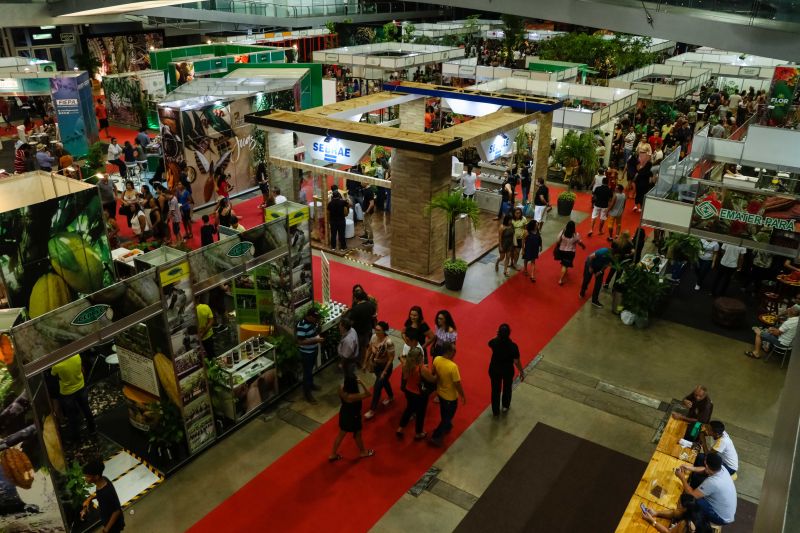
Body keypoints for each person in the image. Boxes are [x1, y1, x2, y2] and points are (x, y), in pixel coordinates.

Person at [675, 454, 737, 525]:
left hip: (721, 518)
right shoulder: (721, 468)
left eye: (705, 463)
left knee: (689, 500)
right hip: (727, 511)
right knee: (697, 481)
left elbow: (692, 495)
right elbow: (705, 470)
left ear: (707, 466)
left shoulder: (713, 482)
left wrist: (682, 477)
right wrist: (689, 468)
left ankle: (681, 520)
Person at [329, 374, 374, 461]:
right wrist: (362, 383)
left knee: (341, 434)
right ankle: (363, 452)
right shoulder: (353, 396)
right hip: (353, 417)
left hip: (344, 413)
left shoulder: (341, 388)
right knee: (358, 434)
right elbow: (368, 394)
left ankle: (333, 454)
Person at [430, 342, 465, 447]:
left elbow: (433, 372)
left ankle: (448, 426)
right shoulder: (453, 367)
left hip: (440, 393)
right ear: (449, 352)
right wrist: (462, 395)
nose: (455, 352)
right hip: (450, 397)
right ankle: (436, 436)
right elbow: (457, 383)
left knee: (444, 412)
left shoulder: (437, 359)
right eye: (454, 350)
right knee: (447, 417)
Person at [51, 354, 95, 440]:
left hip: (67, 392)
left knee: (72, 416)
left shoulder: (56, 365)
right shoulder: (76, 356)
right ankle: (92, 429)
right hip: (80, 386)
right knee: (86, 409)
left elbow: (53, 374)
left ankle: (76, 437)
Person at [396, 347, 436, 440]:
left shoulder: (406, 365)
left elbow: (405, 377)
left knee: (409, 409)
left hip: (408, 391)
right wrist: (437, 373)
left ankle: (400, 428)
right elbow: (432, 379)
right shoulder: (422, 369)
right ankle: (419, 433)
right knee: (420, 413)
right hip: (419, 394)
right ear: (420, 357)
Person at [487, 324, 524, 417]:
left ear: (499, 333)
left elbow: (489, 343)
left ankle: (495, 411)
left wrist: (498, 336)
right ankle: (505, 406)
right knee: (507, 388)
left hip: (495, 369)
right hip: (507, 370)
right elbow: (516, 361)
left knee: (495, 390)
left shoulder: (494, 343)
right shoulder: (513, 346)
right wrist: (521, 371)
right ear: (509, 333)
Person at [363, 321, 395, 419]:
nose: (376, 331)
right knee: (384, 382)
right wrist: (365, 362)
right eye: (375, 329)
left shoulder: (388, 342)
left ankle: (372, 410)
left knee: (377, 387)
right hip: (376, 366)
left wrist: (384, 371)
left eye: (378, 330)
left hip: (385, 367)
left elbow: (391, 358)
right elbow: (369, 349)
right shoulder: (373, 337)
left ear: (384, 331)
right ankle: (391, 396)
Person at [81, 461, 124, 533]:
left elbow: (117, 511)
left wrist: (106, 529)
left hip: (113, 524)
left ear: (96, 476)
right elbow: (100, 494)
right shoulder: (103, 480)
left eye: (88, 476)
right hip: (106, 519)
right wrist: (90, 499)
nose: (85, 478)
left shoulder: (106, 492)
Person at [641, 494, 710, 533]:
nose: (677, 503)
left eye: (679, 503)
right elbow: (674, 513)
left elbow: (668, 532)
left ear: (684, 508)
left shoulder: (685, 524)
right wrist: (656, 513)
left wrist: (652, 521)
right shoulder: (694, 509)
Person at [296, 307, 324, 404]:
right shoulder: (302, 325)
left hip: (313, 350)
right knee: (307, 373)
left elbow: (316, 332)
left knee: (311, 370)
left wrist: (318, 325)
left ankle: (311, 385)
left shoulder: (313, 322)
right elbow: (301, 342)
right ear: (309, 316)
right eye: (315, 318)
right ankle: (307, 393)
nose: (316, 319)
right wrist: (315, 340)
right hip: (306, 353)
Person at [349, 289, 377, 363]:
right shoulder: (371, 305)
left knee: (356, 347)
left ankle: (356, 361)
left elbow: (351, 322)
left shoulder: (356, 309)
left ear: (356, 298)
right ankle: (363, 361)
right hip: (367, 330)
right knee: (364, 346)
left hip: (358, 331)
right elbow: (373, 315)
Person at [556, 220, 586, 285]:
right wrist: (583, 246)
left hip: (561, 250)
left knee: (563, 263)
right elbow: (579, 242)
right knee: (565, 265)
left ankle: (564, 270)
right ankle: (560, 279)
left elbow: (558, 240)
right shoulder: (575, 235)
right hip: (570, 252)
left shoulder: (563, 232)